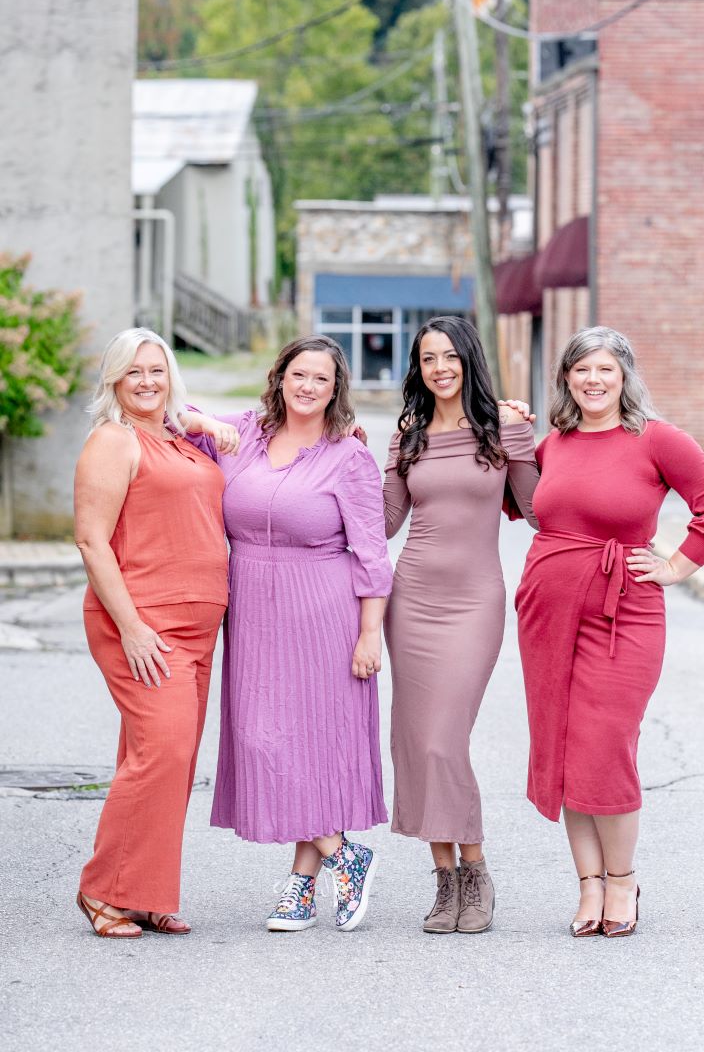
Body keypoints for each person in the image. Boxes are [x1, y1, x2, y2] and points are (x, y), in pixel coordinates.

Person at [514, 326, 704, 937]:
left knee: (604, 745)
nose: (593, 380)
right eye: (581, 369)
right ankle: (588, 886)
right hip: (548, 610)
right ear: (566, 377)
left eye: (605, 370)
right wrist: (510, 436)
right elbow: (518, 504)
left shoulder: (657, 440)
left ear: (625, 377)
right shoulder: (554, 443)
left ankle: (622, 881)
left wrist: (674, 567)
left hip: (626, 612)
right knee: (562, 743)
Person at [183, 336, 392, 933]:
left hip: (322, 609)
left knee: (311, 746)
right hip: (250, 607)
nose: (307, 387)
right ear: (279, 378)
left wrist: (369, 634)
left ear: (335, 390)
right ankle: (342, 854)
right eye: (298, 374)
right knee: (260, 738)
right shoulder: (244, 431)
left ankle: (302, 885)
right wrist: (202, 419)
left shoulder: (347, 458)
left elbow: (373, 554)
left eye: (320, 380)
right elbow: (168, 412)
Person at [382, 315, 539, 935]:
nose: (439, 368)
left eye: (449, 356)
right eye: (427, 359)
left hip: (475, 601)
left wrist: (526, 439)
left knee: (445, 739)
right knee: (416, 743)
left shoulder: (504, 427)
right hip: (412, 598)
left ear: (469, 360)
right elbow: (386, 523)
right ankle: (444, 882)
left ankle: (475, 870)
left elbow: (533, 508)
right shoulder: (409, 437)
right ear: (417, 369)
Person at [74, 328, 231, 938]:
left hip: (197, 627)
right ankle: (103, 890)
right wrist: (132, 627)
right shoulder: (113, 440)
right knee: (161, 753)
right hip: (141, 624)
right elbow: (91, 540)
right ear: (115, 379)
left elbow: (266, 420)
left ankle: (145, 891)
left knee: (171, 760)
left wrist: (341, 430)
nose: (146, 382)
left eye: (157, 371)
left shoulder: (178, 434)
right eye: (134, 372)